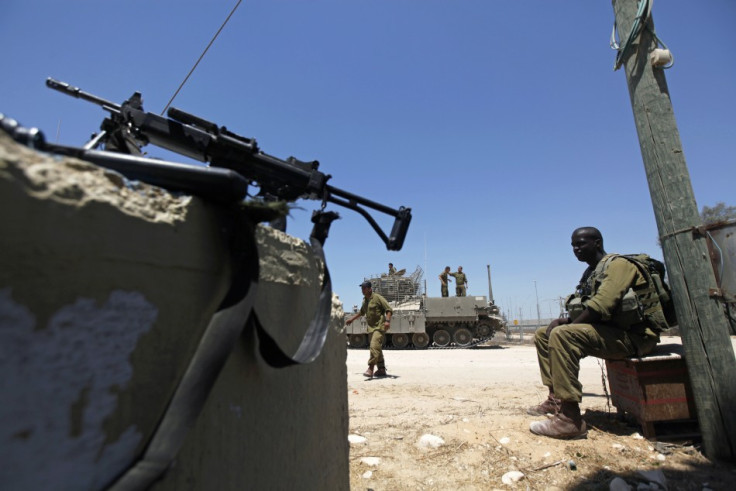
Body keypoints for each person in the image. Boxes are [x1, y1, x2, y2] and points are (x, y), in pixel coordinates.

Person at [527, 227, 668, 439]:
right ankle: (556, 398)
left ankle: (569, 420)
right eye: (573, 245)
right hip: (613, 333)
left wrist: (567, 327)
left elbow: (601, 305)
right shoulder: (592, 272)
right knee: (544, 334)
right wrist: (564, 320)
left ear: (598, 243)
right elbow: (587, 307)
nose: (576, 249)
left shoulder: (619, 265)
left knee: (562, 335)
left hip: (635, 337)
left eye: (581, 244)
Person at [346, 281, 393, 378]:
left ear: (369, 289)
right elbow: (361, 312)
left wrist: (387, 321)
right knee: (377, 348)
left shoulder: (377, 298)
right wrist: (352, 319)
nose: (362, 290)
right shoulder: (365, 300)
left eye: (364, 288)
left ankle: (370, 368)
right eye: (361, 288)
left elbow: (388, 309)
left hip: (379, 327)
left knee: (373, 346)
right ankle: (381, 369)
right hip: (371, 328)